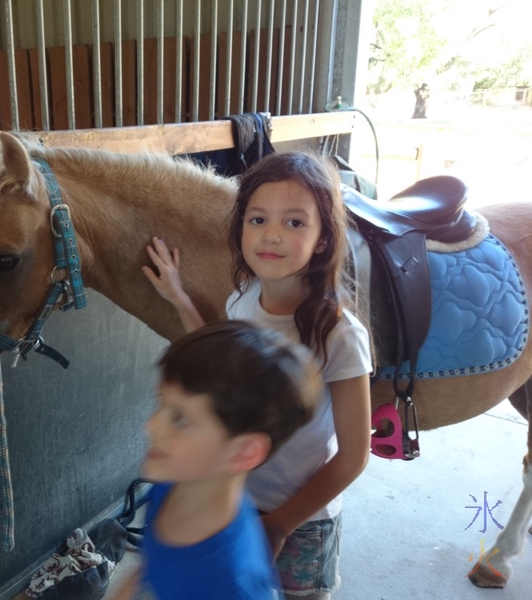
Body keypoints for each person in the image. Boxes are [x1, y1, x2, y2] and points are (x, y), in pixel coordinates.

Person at [142, 151, 372, 600]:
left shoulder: (340, 335)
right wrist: (177, 295)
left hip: (303, 517)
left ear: (324, 238)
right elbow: (228, 364)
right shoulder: (244, 297)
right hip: (235, 495)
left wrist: (282, 524)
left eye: (295, 223)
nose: (271, 236)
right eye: (257, 219)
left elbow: (353, 456)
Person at [111, 320, 321, 600]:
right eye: (160, 402)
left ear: (243, 452)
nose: (150, 426)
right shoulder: (172, 483)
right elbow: (152, 568)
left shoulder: (233, 585)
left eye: (180, 418)